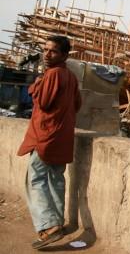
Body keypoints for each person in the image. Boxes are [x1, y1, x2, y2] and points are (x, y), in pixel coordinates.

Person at [17, 35, 82, 249]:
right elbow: (77, 105)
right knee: (55, 180)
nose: (46, 54)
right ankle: (57, 224)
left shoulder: (52, 74)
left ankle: (48, 225)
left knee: (35, 180)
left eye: (52, 51)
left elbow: (43, 102)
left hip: (46, 136)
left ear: (64, 55)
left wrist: (36, 85)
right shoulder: (70, 77)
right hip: (62, 137)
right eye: (45, 49)